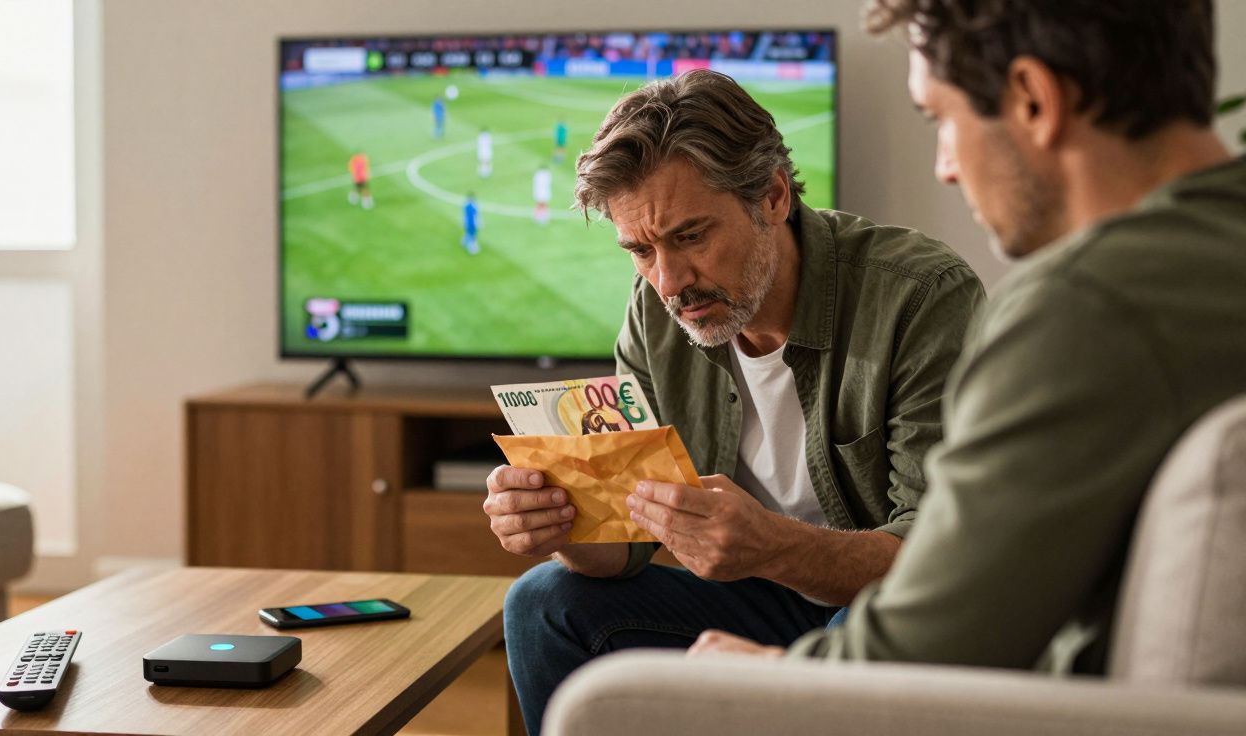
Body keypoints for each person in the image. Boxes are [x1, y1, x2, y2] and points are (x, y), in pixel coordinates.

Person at [687, 0, 1246, 677]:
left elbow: (928, 650)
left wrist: (754, 679)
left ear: (1034, 100)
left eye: (942, 119)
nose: (945, 167)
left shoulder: (1082, 312)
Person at [486, 69, 985, 732]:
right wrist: (564, 525)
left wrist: (773, 547)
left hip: (885, 612)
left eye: (691, 237)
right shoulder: (655, 313)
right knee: (542, 601)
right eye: (639, 250)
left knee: (856, 626)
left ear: (773, 196)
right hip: (756, 602)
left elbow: (940, 563)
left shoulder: (920, 296)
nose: (669, 282)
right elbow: (628, 545)